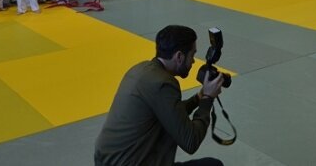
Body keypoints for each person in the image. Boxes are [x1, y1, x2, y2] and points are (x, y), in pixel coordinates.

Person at [95, 25, 224, 166]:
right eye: (192, 55)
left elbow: (171, 113)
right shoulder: (163, 84)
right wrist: (207, 99)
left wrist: (198, 98)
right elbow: (190, 141)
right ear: (179, 56)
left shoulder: (142, 69)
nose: (193, 61)